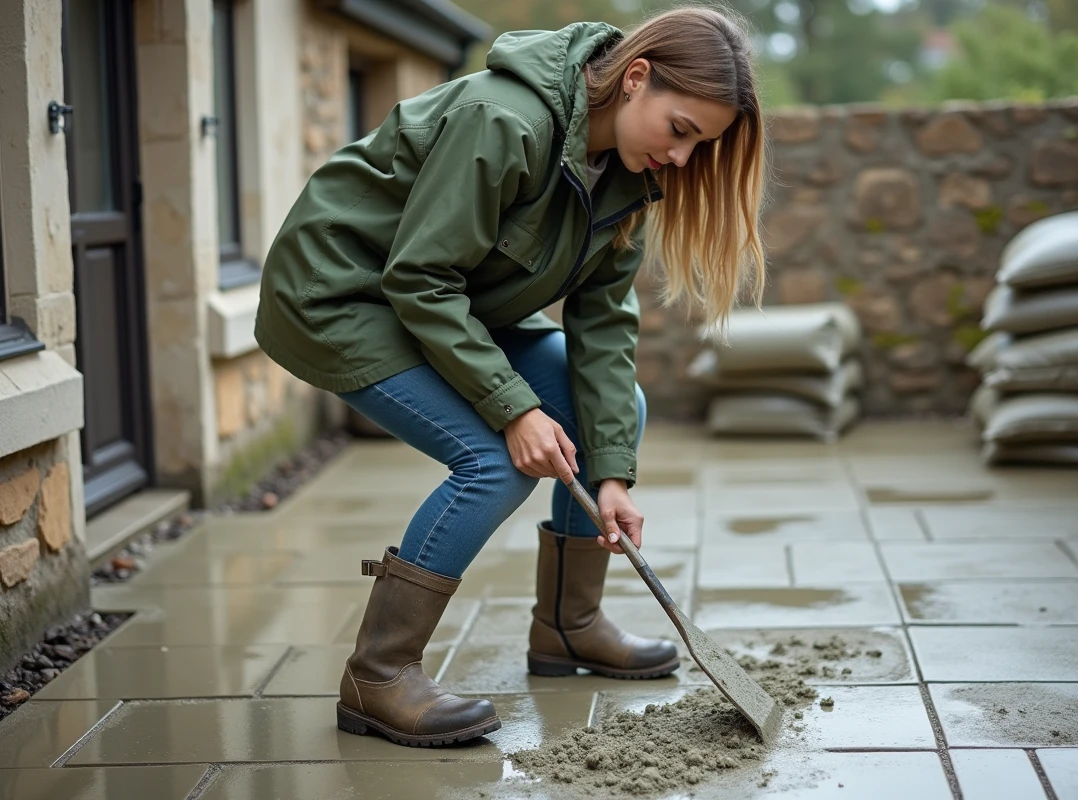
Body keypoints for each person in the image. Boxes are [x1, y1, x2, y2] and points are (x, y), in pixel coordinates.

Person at [254, 6, 766, 747]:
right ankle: (379, 674)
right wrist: (513, 407)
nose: (683, 159)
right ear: (637, 78)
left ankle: (568, 626)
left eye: (700, 145)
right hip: (340, 297)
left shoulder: (631, 174)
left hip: (446, 302)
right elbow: (421, 276)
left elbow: (603, 325)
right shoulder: (507, 120)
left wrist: (613, 474)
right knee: (494, 461)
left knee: (616, 414)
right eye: (680, 130)